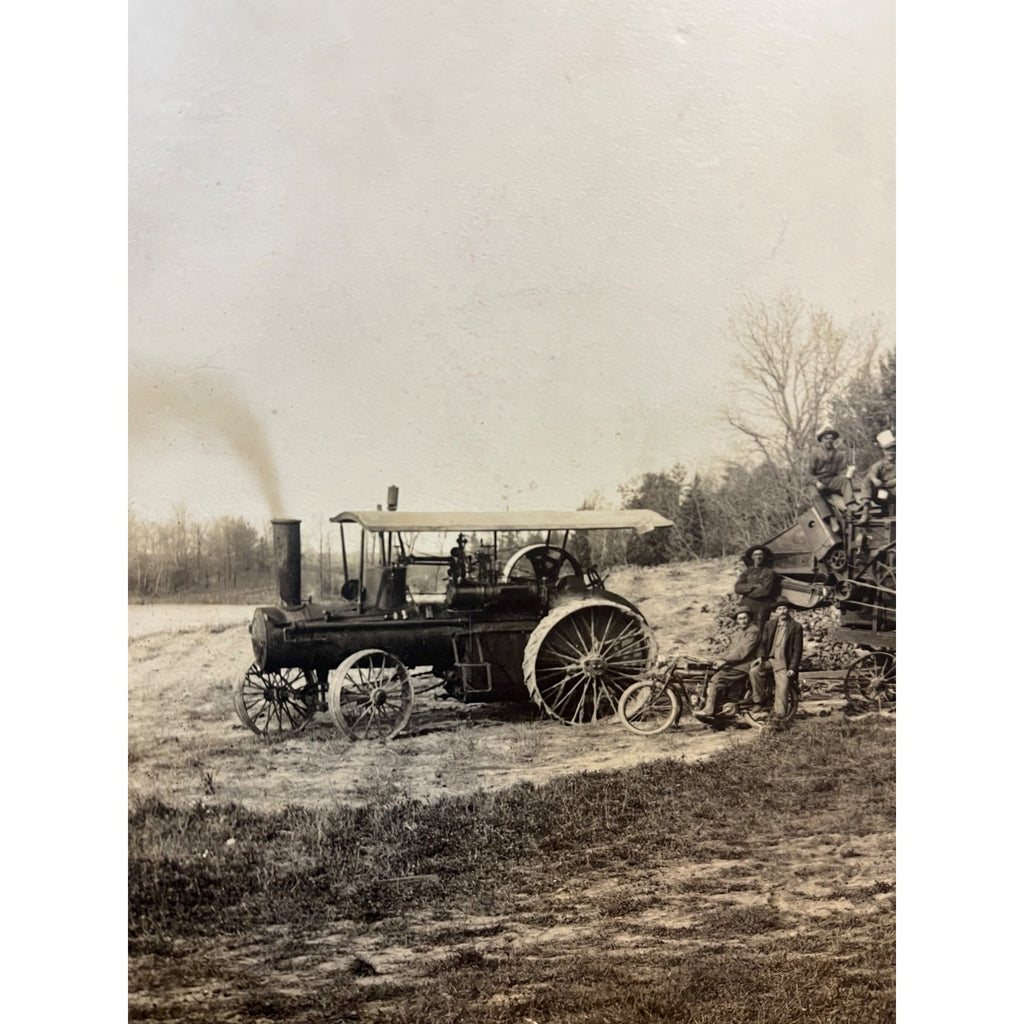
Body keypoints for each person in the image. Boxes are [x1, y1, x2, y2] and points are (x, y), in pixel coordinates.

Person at [694, 608, 761, 721]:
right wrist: (718, 658)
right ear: (737, 620)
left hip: (745, 664)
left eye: (745, 618)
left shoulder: (753, 631)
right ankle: (719, 709)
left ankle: (709, 710)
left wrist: (725, 661)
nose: (743, 621)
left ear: (749, 618)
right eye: (740, 619)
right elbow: (732, 649)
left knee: (715, 679)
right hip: (736, 663)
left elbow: (742, 651)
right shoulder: (740, 631)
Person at [750, 599, 804, 727]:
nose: (783, 612)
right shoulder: (770, 624)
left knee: (783, 686)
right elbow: (763, 643)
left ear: (789, 611)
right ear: (776, 611)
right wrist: (760, 657)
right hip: (769, 659)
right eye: (780, 609)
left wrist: (792, 668)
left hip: (783, 662)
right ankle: (759, 701)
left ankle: (779, 717)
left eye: (785, 609)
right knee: (754, 671)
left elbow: (797, 650)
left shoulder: (796, 627)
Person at [807, 426, 856, 509]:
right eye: (826, 438)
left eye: (831, 438)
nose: (829, 441)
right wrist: (816, 482)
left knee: (845, 480)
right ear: (822, 440)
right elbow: (808, 475)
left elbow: (842, 471)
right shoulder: (814, 455)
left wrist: (849, 471)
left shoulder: (839, 454)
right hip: (818, 482)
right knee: (814, 495)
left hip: (832, 481)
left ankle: (850, 504)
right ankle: (827, 518)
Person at [733, 546, 780, 627]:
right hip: (746, 605)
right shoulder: (747, 571)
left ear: (764, 557)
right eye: (756, 555)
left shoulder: (769, 572)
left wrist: (746, 592)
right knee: (745, 627)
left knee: (759, 629)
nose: (758, 557)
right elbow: (737, 588)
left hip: (761, 606)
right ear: (752, 557)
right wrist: (752, 586)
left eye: (760, 555)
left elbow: (764, 591)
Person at [861, 429, 896, 518]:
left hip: (895, 495)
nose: (891, 453)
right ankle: (866, 509)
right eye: (888, 450)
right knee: (868, 479)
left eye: (893, 450)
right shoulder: (879, 464)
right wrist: (875, 479)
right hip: (882, 494)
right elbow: (872, 474)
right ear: (884, 452)